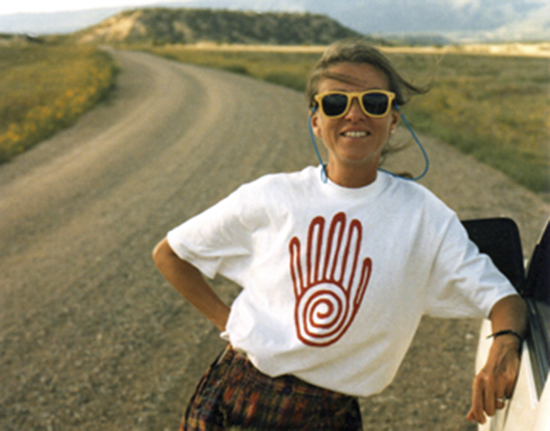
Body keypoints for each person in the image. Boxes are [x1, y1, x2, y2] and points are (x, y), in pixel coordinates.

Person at [153, 38, 528, 430]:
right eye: (335, 103)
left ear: (393, 119)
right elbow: (170, 253)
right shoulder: (271, 196)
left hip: (333, 415)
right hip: (242, 401)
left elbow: (504, 299)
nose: (355, 114)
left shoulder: (424, 216)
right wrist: (230, 324)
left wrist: (505, 343)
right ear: (316, 120)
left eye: (374, 102)